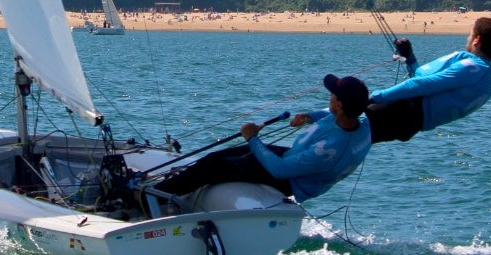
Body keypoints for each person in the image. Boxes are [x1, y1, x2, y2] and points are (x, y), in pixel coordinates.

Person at [149, 74, 371, 204]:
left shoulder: (329, 149)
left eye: (332, 95)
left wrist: (253, 138)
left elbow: (280, 170)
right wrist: (310, 116)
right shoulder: (361, 122)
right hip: (293, 158)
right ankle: (173, 187)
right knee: (219, 155)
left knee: (214, 165)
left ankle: (156, 197)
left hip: (288, 179)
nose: (329, 96)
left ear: (340, 105)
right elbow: (335, 114)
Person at [366, 16, 491, 144]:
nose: (467, 38)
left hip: (401, 112)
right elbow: (429, 85)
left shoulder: (472, 67)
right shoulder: (486, 84)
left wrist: (374, 97)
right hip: (411, 124)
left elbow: (420, 85)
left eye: (470, 34)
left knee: (347, 124)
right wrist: (410, 58)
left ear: (477, 40)